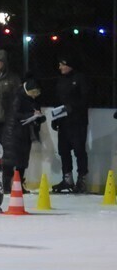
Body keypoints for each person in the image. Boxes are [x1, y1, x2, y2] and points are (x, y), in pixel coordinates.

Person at [51, 55, 91, 193]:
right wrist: (55, 118)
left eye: (62, 64)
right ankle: (67, 179)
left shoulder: (80, 78)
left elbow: (85, 98)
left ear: (70, 65)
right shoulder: (60, 80)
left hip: (78, 122)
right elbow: (57, 100)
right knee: (64, 150)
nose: (60, 67)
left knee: (79, 150)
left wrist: (72, 107)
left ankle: (82, 179)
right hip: (63, 122)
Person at [1, 77, 45, 193]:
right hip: (13, 134)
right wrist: (30, 114)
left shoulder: (33, 99)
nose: (35, 95)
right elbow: (15, 114)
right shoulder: (17, 97)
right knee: (10, 161)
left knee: (22, 161)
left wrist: (39, 118)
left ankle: (18, 185)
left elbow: (36, 113)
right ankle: (6, 186)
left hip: (25, 134)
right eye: (33, 93)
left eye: (37, 93)